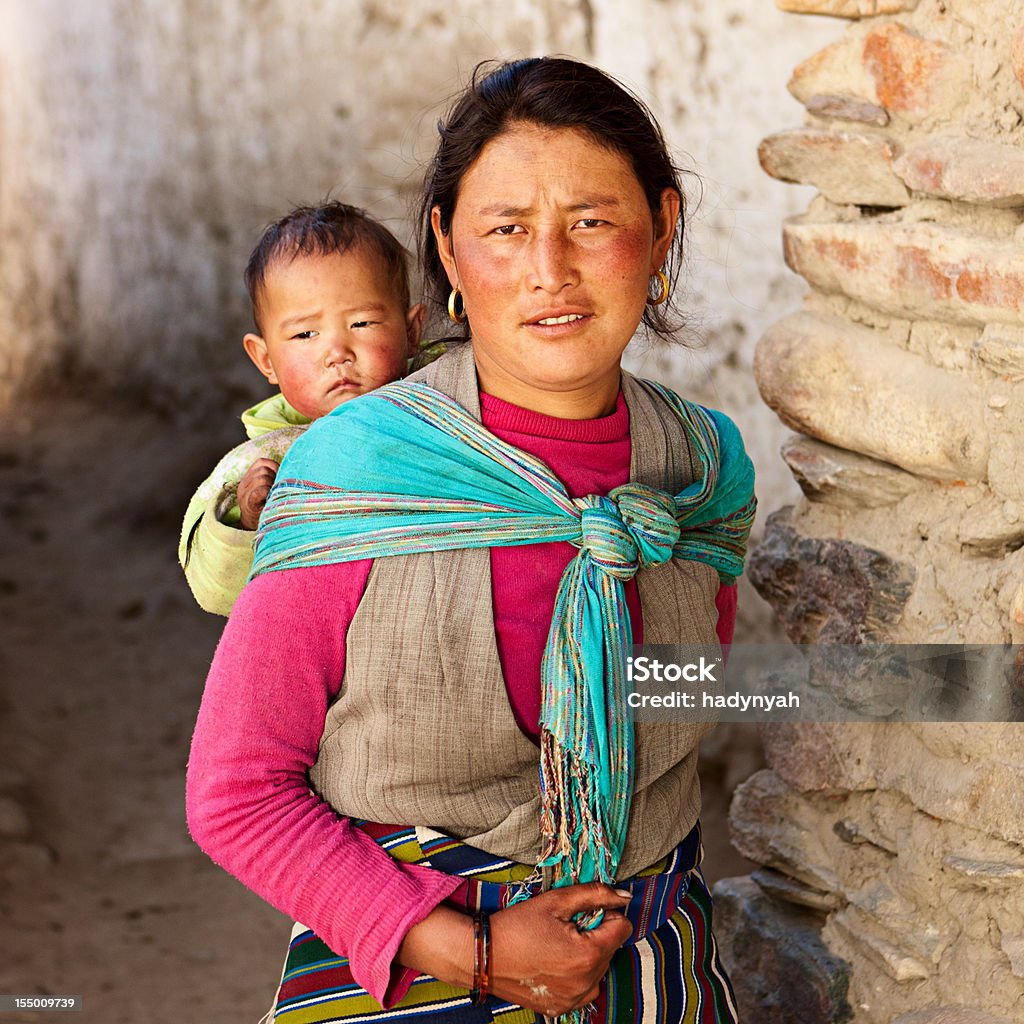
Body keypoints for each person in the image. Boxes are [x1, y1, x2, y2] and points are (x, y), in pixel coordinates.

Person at [187, 57, 756, 1024]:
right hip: (412, 978)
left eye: (591, 221)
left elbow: (683, 689)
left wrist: (904, 686)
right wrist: (480, 951)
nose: (550, 271)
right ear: (447, 252)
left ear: (662, 226)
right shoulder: (354, 472)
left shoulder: (701, 469)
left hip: (658, 972)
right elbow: (238, 793)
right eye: (505, 229)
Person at [177, 200, 431, 615]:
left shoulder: (447, 412)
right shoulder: (265, 460)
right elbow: (216, 595)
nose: (336, 352)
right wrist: (248, 525)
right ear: (265, 361)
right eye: (305, 334)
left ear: (412, 331)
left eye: (361, 323)